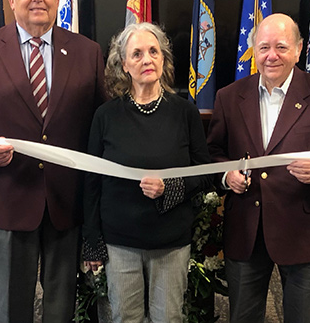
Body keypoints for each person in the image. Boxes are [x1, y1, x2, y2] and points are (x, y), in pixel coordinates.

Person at [0, 0, 106, 323]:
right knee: (9, 306)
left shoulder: (87, 52)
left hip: (66, 203)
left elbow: (101, 122)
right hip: (7, 199)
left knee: (61, 305)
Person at [206, 13, 310, 323]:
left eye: (281, 47)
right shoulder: (229, 97)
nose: (271, 56)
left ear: (299, 49)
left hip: (304, 231)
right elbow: (213, 152)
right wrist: (226, 174)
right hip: (246, 231)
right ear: (254, 52)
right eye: (263, 47)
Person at [82, 23, 213, 323]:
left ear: (163, 59)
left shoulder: (185, 112)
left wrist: (170, 187)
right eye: (137, 54)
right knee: (125, 318)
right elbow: (91, 181)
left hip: (170, 241)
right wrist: (92, 238)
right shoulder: (105, 116)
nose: (147, 59)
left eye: (154, 51)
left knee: (168, 318)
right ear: (124, 64)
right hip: (120, 241)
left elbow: (205, 174)